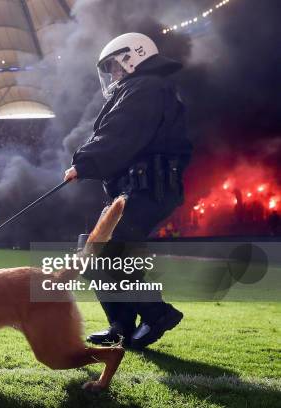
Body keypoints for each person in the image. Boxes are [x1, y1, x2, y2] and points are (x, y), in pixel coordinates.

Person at [64, 33, 192, 349]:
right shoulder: (146, 88)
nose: (113, 75)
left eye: (115, 67)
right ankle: (121, 326)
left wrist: (85, 162)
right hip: (136, 189)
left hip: (148, 189)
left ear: (132, 57)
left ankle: (157, 314)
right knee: (95, 252)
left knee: (99, 255)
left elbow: (121, 131)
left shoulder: (146, 88)